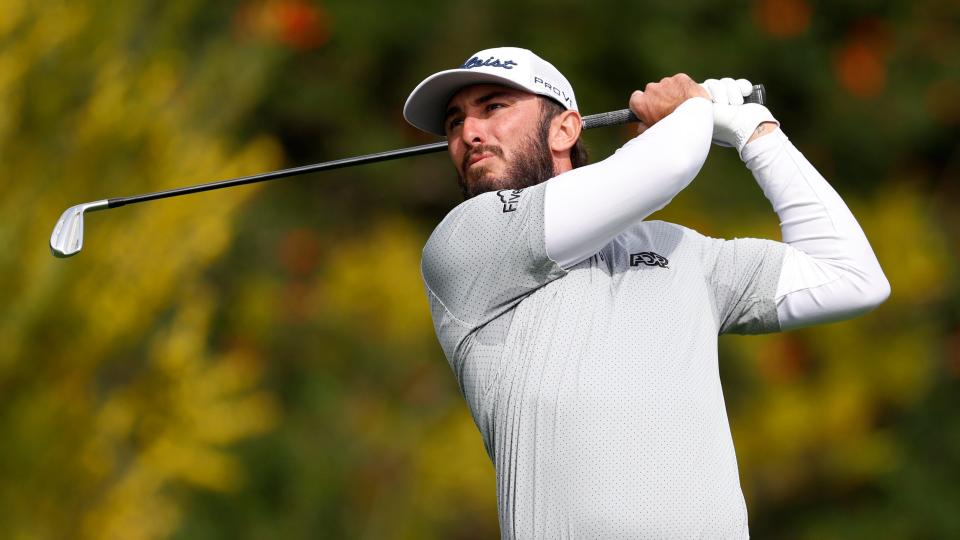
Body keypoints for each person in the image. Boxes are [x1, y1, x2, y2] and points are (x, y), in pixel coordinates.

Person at [403, 46, 889, 539]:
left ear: (565, 129)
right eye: (454, 122)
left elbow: (851, 276)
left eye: (494, 107)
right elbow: (665, 165)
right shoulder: (463, 244)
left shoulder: (680, 251)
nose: (470, 132)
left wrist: (755, 133)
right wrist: (695, 108)